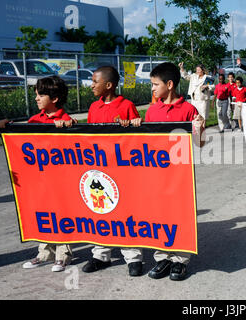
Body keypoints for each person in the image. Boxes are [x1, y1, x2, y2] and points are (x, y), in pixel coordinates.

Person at [133, 62, 205, 281]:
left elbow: (199, 143)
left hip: (179, 175)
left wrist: (198, 127)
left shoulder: (188, 109)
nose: (152, 89)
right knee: (158, 215)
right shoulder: (152, 110)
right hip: (155, 176)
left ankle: (180, 260)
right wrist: (137, 125)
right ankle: (162, 256)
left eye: (155, 84)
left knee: (179, 215)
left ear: (170, 84)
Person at [83, 66, 144, 277]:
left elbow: (138, 139)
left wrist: (132, 126)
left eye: (94, 81)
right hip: (99, 170)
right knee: (99, 210)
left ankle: (133, 257)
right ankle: (101, 254)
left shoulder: (127, 105)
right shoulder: (93, 108)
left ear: (108, 85)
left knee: (126, 212)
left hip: (122, 170)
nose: (91, 85)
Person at [21, 76, 74, 272]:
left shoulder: (67, 121)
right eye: (36, 94)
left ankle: (63, 254)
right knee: (44, 215)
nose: (36, 98)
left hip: (61, 181)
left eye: (40, 95)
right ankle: (44, 252)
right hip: (40, 181)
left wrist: (67, 128)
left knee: (62, 215)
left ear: (55, 98)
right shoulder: (33, 121)